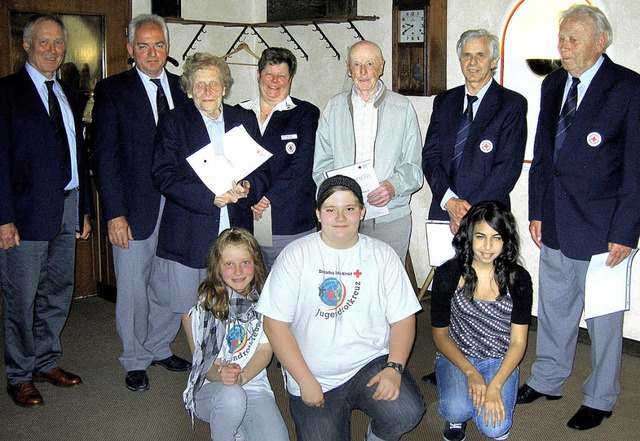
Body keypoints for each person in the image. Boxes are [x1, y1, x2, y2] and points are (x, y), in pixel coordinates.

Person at [520, 4, 640, 431]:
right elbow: (544, 153)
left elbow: (636, 168)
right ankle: (549, 378)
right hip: (554, 219)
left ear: (599, 41)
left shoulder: (629, 87)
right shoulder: (554, 83)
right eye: (561, 39)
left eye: (573, 40)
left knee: (604, 320)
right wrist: (536, 210)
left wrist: (626, 231)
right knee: (553, 308)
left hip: (605, 229)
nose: (563, 48)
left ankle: (601, 396)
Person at [256, 175, 425, 441]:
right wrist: (305, 381)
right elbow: (275, 325)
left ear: (362, 212)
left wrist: (395, 368)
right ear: (318, 214)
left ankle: (377, 436)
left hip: (369, 363)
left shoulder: (383, 255)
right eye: (330, 209)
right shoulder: (295, 255)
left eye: (349, 209)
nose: (341, 217)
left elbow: (403, 319)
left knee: (407, 412)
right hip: (313, 372)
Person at [91, 13, 192, 393]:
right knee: (133, 286)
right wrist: (114, 213)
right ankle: (134, 358)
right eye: (144, 45)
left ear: (168, 48)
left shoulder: (184, 89)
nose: (153, 53)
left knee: (171, 283)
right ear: (131, 50)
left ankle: (158, 346)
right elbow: (104, 156)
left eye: (160, 44)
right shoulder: (113, 90)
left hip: (179, 206)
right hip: (134, 208)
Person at [421, 28, 527, 386]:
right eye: (466, 55)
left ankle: (484, 354)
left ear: (494, 61)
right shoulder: (445, 102)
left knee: (483, 284)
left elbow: (507, 169)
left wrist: (470, 214)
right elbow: (431, 157)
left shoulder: (512, 105)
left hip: (486, 219)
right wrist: (449, 201)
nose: (473, 62)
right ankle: (448, 360)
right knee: (451, 282)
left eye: (480, 55)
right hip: (444, 211)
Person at [0, 13, 92, 407]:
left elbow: (79, 155)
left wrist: (84, 210)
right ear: (26, 44)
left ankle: (46, 360)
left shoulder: (70, 94)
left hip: (68, 205)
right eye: (44, 42)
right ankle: (18, 374)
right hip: (24, 214)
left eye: (58, 43)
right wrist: (3, 218)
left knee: (58, 290)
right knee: (21, 296)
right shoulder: (6, 93)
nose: (52, 50)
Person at [151, 52, 252, 354]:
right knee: (192, 302)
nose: (207, 91)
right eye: (199, 84)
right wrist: (210, 198)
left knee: (235, 296)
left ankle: (234, 355)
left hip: (234, 224)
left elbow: (260, 169)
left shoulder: (242, 118)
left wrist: (249, 186)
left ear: (224, 87)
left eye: (213, 83)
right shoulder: (173, 122)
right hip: (190, 225)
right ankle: (203, 366)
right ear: (189, 89)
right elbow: (163, 175)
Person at [313, 40, 423, 264]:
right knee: (346, 285)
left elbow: (414, 167)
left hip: (390, 217)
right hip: (344, 219)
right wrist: (337, 198)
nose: (363, 72)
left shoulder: (402, 108)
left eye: (370, 64)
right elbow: (321, 166)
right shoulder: (333, 108)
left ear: (381, 67)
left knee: (386, 287)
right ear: (348, 68)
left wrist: (394, 186)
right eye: (357, 64)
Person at [431, 201, 532, 441]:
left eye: (496, 238)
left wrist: (495, 385)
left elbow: (518, 343)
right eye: (480, 236)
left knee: (494, 428)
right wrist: (471, 373)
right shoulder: (448, 274)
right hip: (458, 355)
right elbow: (440, 335)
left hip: (499, 358)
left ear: (506, 240)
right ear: (468, 236)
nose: (487, 247)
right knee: (457, 409)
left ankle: (485, 394)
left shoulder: (518, 279)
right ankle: (457, 413)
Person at [183, 228, 288, 441]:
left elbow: (264, 350)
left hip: (253, 384)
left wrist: (243, 377)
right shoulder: (203, 306)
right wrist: (222, 375)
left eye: (245, 262)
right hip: (214, 389)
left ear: (255, 264)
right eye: (229, 264)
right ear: (217, 267)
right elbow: (206, 366)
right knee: (232, 397)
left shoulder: (266, 300)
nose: (238, 271)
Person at [236, 47, 320, 271]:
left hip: (290, 220)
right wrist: (248, 194)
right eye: (269, 75)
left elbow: (301, 166)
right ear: (258, 75)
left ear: (290, 79)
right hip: (246, 220)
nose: (274, 81)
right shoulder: (237, 113)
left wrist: (266, 198)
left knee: (292, 288)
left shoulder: (305, 113)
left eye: (281, 76)